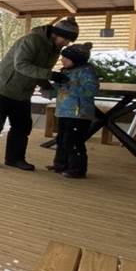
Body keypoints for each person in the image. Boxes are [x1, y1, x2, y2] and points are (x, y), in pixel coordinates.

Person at [0, 16, 79, 170]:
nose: (66, 44)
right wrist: (50, 75)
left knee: (23, 126)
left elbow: (40, 71)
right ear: (56, 33)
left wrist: (47, 86)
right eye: (66, 39)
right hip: (4, 86)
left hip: (22, 91)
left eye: (69, 41)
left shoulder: (54, 49)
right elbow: (21, 65)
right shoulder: (32, 40)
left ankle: (14, 158)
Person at [47, 42, 99, 178]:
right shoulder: (66, 72)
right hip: (64, 111)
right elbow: (59, 90)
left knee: (73, 141)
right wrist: (49, 88)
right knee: (61, 139)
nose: (62, 60)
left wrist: (69, 84)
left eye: (66, 58)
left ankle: (77, 169)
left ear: (76, 60)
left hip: (79, 113)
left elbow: (91, 90)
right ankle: (60, 164)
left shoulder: (86, 72)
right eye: (62, 57)